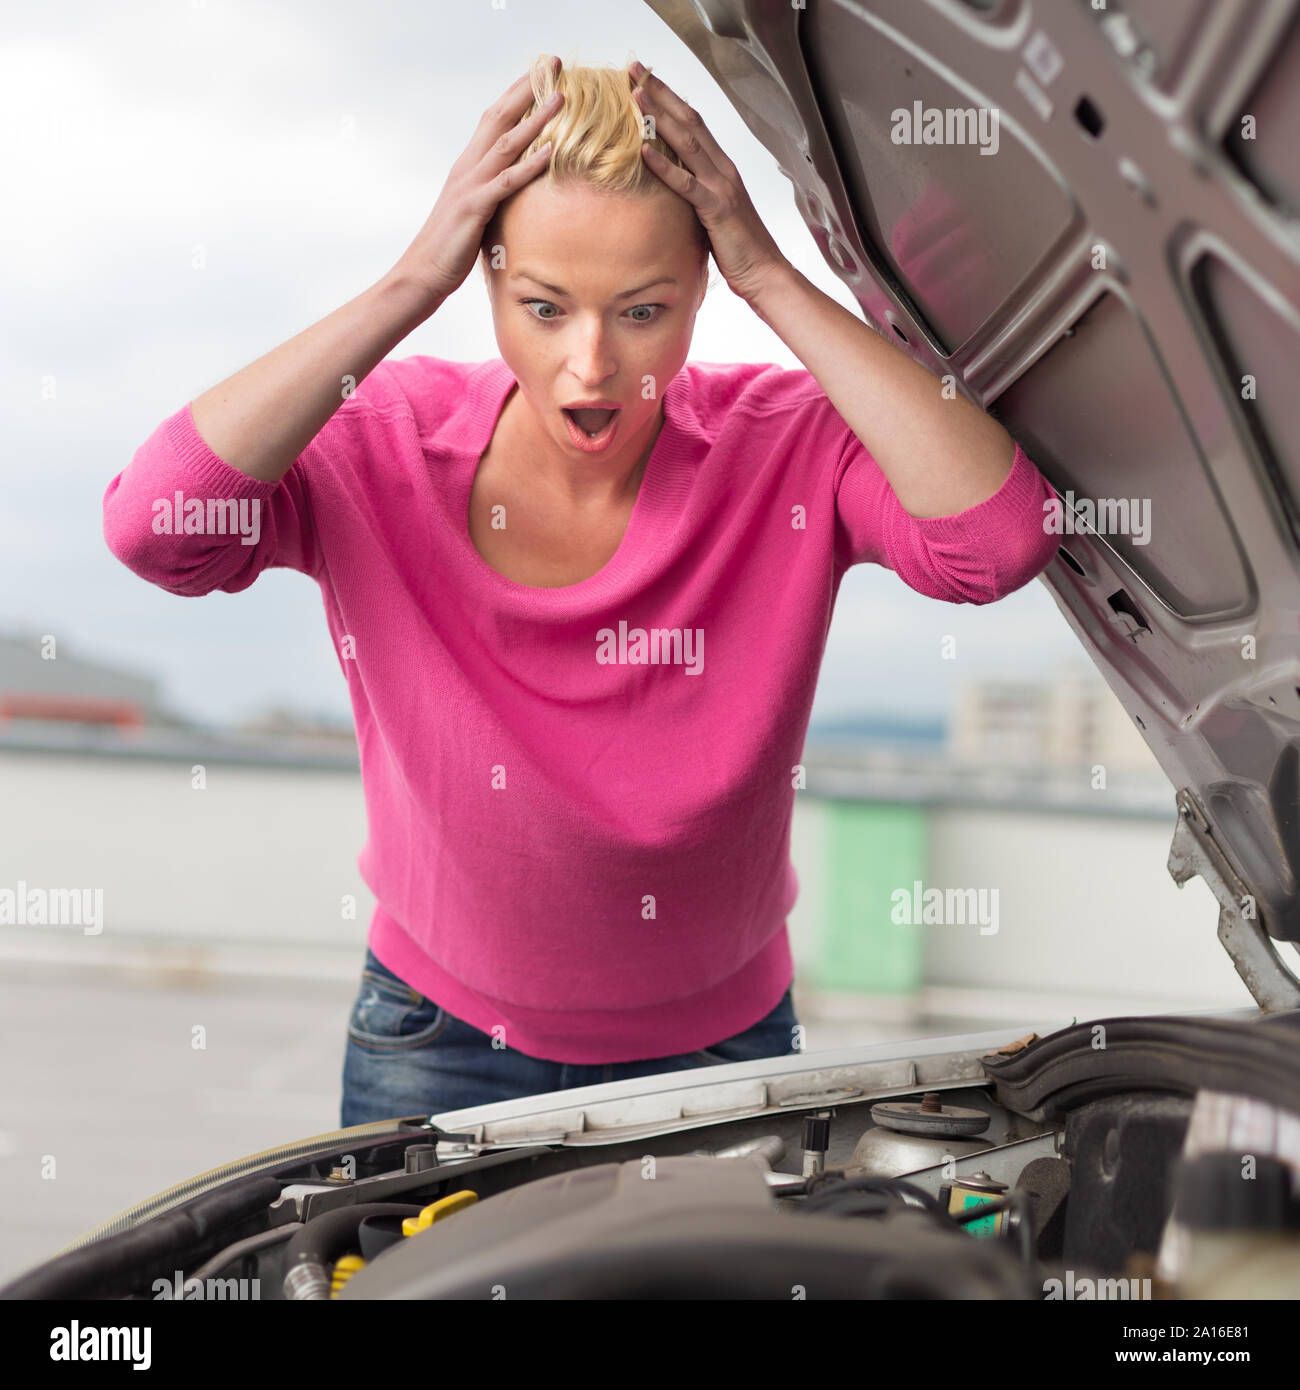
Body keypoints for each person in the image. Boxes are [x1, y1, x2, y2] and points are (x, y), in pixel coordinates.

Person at [101, 55, 1061, 1127]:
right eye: (544, 307)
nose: (591, 365)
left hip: (725, 1055)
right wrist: (407, 284)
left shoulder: (785, 445)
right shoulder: (383, 443)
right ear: (487, 279)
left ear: (704, 289)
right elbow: (155, 531)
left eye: (643, 310)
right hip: (439, 1043)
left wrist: (773, 275)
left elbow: (998, 541)